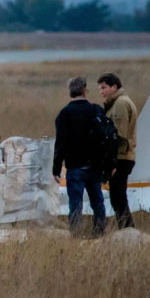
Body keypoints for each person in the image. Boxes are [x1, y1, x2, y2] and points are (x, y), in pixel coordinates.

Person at [53, 76, 106, 237]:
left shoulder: (64, 114)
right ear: (84, 91)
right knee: (98, 202)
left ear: (70, 92)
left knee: (75, 204)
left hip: (75, 166)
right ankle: (99, 233)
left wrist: (56, 168)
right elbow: (105, 138)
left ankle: (76, 234)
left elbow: (60, 144)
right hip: (95, 165)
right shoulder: (96, 110)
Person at [97, 72, 138, 229]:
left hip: (120, 157)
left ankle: (127, 229)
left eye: (104, 88)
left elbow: (119, 134)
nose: (101, 92)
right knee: (117, 197)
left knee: (118, 197)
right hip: (122, 156)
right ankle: (127, 228)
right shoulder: (117, 102)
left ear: (114, 87)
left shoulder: (120, 104)